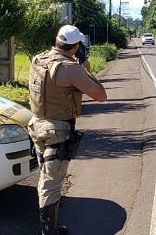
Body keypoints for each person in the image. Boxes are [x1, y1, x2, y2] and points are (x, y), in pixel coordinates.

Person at [28, 24, 107, 235]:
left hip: (37, 125)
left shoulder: (39, 59)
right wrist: (84, 69)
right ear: (76, 46)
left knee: (46, 178)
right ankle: (49, 231)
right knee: (51, 183)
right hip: (57, 131)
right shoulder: (70, 69)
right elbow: (100, 95)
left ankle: (51, 227)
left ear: (57, 41)